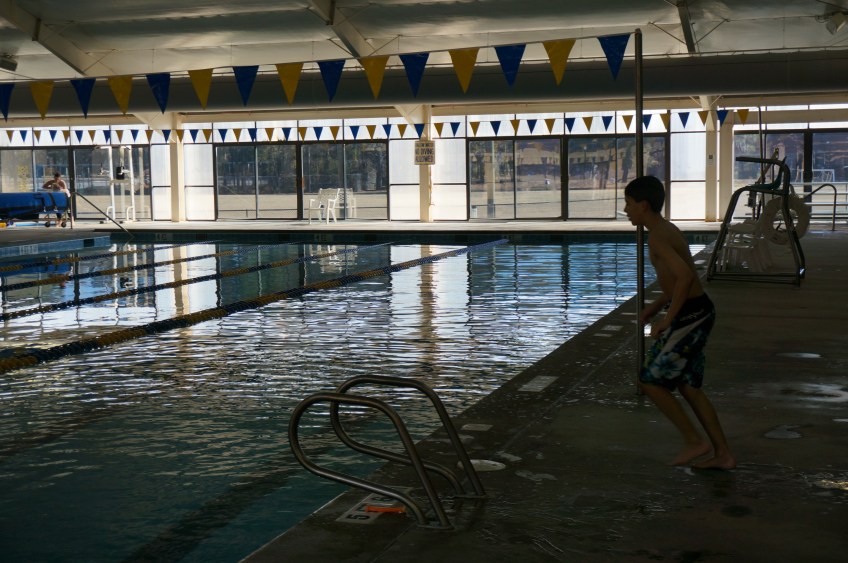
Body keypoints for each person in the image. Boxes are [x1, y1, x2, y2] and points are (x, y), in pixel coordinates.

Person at [624, 175, 736, 470]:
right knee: (689, 387)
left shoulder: (658, 236)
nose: (625, 210)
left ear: (643, 205)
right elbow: (678, 281)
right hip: (697, 311)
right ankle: (723, 455)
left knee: (649, 380)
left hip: (690, 316)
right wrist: (655, 306)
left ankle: (693, 441)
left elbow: (686, 278)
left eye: (629, 203)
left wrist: (667, 319)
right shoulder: (664, 229)